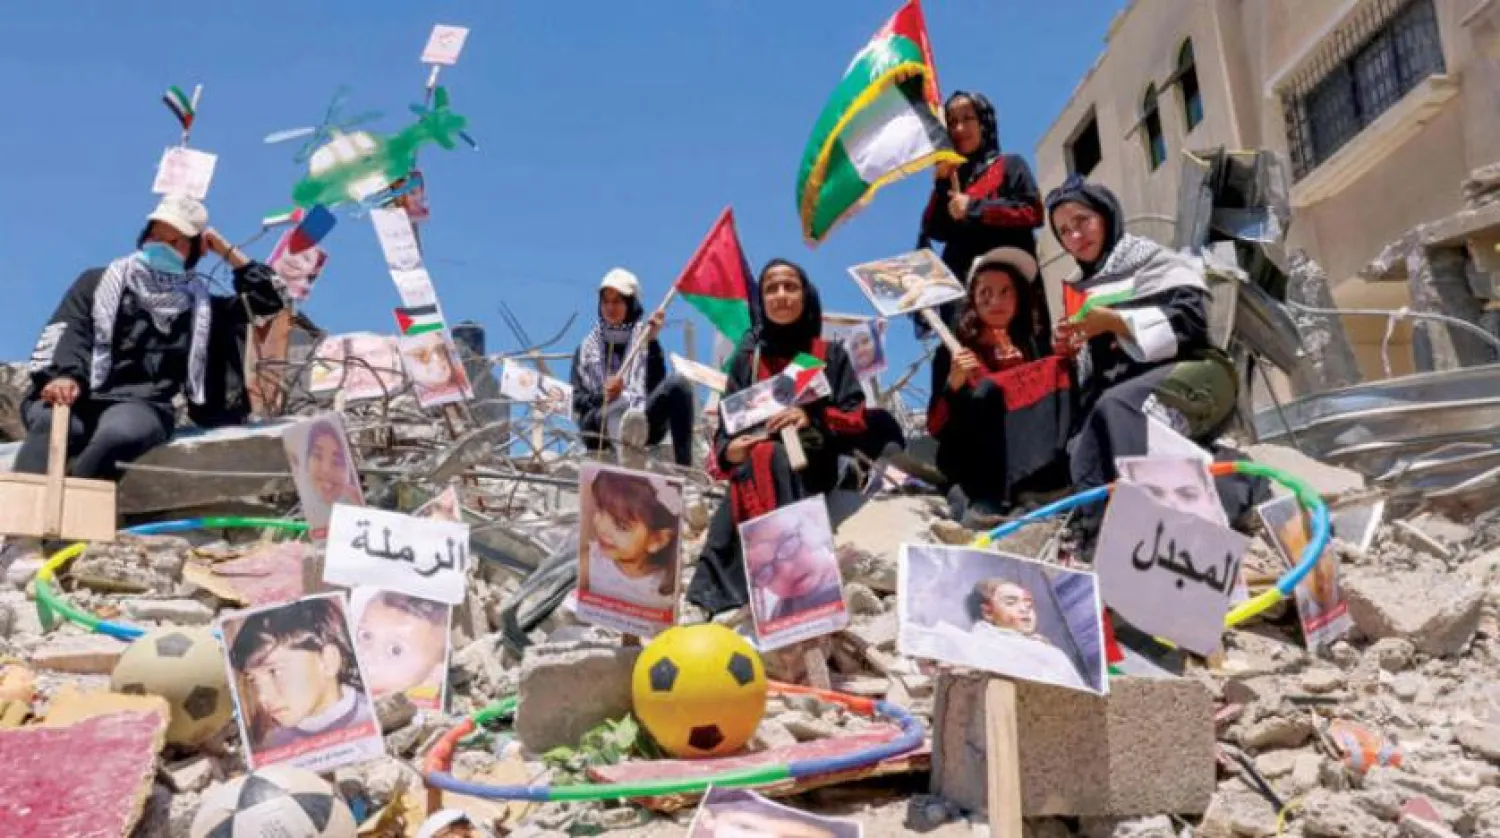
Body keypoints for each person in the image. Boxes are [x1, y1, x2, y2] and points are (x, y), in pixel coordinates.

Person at [16, 194, 285, 482]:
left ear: (195, 250)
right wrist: (62, 376)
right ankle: (14, 515)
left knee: (120, 434)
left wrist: (225, 250)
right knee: (52, 423)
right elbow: (70, 328)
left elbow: (268, 300)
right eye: (156, 238)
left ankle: (78, 511)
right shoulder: (97, 282)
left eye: (176, 243)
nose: (162, 248)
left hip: (143, 404)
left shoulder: (201, 308)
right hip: (78, 391)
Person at [1045, 176, 1239, 506]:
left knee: (1120, 410)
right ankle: (1101, 531)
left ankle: (1176, 511)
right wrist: (1071, 352)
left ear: (1105, 215)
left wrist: (1116, 321)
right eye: (1064, 231)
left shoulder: (1148, 259)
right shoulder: (1078, 288)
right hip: (1124, 392)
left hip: (1196, 375)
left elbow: (1190, 322)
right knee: (1083, 446)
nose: (1075, 237)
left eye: (1082, 221)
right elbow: (1098, 371)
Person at [688, 260, 868, 615]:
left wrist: (810, 415)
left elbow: (856, 417)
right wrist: (732, 452)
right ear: (762, 300)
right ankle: (716, 600)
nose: (781, 295)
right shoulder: (747, 360)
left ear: (806, 296)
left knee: (771, 458)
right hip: (754, 466)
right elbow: (727, 427)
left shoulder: (827, 355)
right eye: (771, 288)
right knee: (757, 461)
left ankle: (793, 595)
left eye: (790, 286)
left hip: (813, 463)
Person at [927, 247, 1070, 524]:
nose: (996, 301)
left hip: (1028, 463)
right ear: (973, 302)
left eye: (1006, 291)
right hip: (976, 464)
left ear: (1019, 298)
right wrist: (953, 386)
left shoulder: (1033, 345)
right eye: (985, 293)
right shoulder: (951, 352)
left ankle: (1041, 488)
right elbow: (935, 426)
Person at [916, 91, 1045, 339]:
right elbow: (935, 230)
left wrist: (975, 209)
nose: (959, 128)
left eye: (967, 118)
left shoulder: (1009, 165)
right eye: (951, 123)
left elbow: (1033, 212)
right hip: (963, 303)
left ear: (984, 122)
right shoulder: (953, 181)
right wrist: (942, 184)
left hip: (1010, 296)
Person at [570, 268, 694, 466]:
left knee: (678, 384)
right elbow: (575, 399)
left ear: (631, 304)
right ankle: (626, 455)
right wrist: (604, 395)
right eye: (606, 301)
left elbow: (654, 388)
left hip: (641, 421)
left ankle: (685, 470)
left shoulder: (644, 341)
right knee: (613, 409)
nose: (610, 307)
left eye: (617, 301)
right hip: (599, 426)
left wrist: (652, 341)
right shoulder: (586, 349)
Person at [228, 597, 374, 752]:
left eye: (275, 671)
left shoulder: (377, 715)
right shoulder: (270, 747)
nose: (262, 697)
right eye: (254, 680)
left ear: (328, 661)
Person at [965, 579, 1090, 691]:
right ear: (988, 612)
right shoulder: (984, 643)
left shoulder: (1044, 649)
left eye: (1028, 605)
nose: (1024, 609)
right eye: (1011, 602)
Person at [582, 468, 680, 610]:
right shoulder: (592, 561)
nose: (602, 527)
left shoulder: (665, 588)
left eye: (621, 526)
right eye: (601, 509)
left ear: (657, 540)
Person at [745, 509, 843, 623]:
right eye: (763, 571)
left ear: (815, 524)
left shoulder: (848, 575)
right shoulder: (781, 612)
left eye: (788, 544)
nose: (786, 571)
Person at [354, 590, 448, 706]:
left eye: (395, 650)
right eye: (366, 636)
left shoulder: (422, 707)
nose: (369, 654)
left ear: (436, 673)